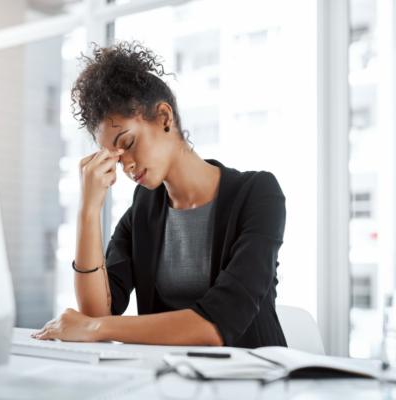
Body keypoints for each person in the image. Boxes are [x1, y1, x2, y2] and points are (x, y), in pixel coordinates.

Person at [32, 41, 287, 348]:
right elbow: (99, 311)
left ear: (164, 117)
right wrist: (88, 211)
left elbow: (218, 325)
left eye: (126, 143)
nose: (125, 165)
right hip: (171, 382)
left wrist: (96, 327)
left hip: (256, 383)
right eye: (113, 156)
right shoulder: (143, 209)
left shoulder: (258, 195)